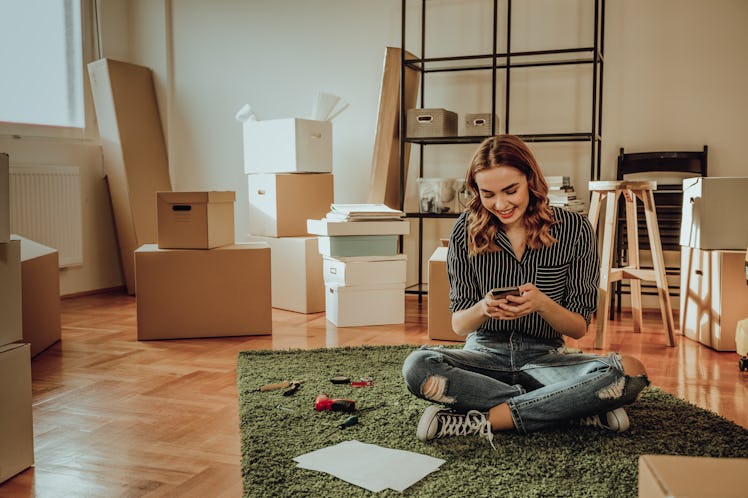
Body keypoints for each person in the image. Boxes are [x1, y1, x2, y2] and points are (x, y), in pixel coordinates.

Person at [402, 135, 649, 447]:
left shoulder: (574, 229)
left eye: (510, 191)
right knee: (417, 367)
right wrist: (483, 308)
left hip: (546, 359)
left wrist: (543, 304)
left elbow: (578, 328)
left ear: (531, 180)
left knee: (628, 373)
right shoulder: (466, 228)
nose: (501, 204)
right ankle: (564, 409)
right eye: (488, 194)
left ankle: (486, 419)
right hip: (483, 360)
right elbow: (459, 324)